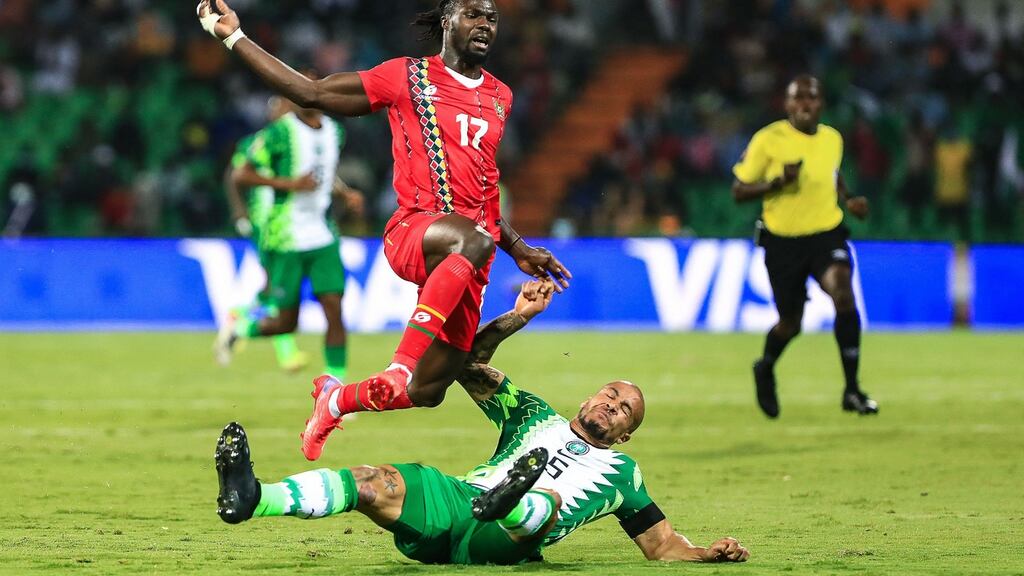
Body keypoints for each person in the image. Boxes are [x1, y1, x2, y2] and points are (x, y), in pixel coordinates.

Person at [195, 0, 572, 460]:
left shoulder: (500, 96)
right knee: (471, 240)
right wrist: (233, 36)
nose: (484, 24)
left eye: (492, 17)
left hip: (468, 255)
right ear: (447, 21)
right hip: (414, 230)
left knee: (430, 388)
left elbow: (485, 185)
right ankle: (399, 363)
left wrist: (517, 248)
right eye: (473, 14)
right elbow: (310, 92)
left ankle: (334, 400)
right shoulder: (405, 76)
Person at [214, 280, 750, 566]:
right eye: (611, 394)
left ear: (627, 433)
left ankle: (516, 501)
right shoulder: (530, 412)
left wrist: (707, 553)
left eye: (624, 410)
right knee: (370, 481)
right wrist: (517, 317)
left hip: (508, 543)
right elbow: (466, 365)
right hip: (460, 503)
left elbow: (659, 546)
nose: (613, 405)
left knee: (550, 505)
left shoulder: (623, 473)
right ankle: (252, 497)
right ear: (591, 395)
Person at [731, 75, 878, 418]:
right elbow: (739, 190)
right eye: (797, 98)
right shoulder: (768, 140)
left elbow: (831, 173)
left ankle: (852, 390)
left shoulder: (832, 138)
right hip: (782, 242)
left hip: (826, 233)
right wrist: (778, 182)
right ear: (787, 104)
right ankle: (765, 367)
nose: (804, 104)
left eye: (810, 98)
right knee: (790, 323)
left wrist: (848, 198)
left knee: (843, 294)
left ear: (820, 102)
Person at [214, 74, 364, 381]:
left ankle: (334, 391)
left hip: (323, 234)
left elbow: (323, 173)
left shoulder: (335, 132)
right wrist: (289, 185)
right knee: (284, 321)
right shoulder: (277, 134)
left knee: (334, 310)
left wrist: (344, 192)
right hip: (285, 234)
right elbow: (239, 175)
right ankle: (241, 327)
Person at [221, 95, 309, 373]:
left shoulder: (299, 140)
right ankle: (286, 353)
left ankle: (240, 317)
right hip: (267, 224)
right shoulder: (257, 142)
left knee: (276, 287)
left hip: (290, 224)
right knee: (279, 287)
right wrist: (239, 212)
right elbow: (233, 175)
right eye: (280, 108)